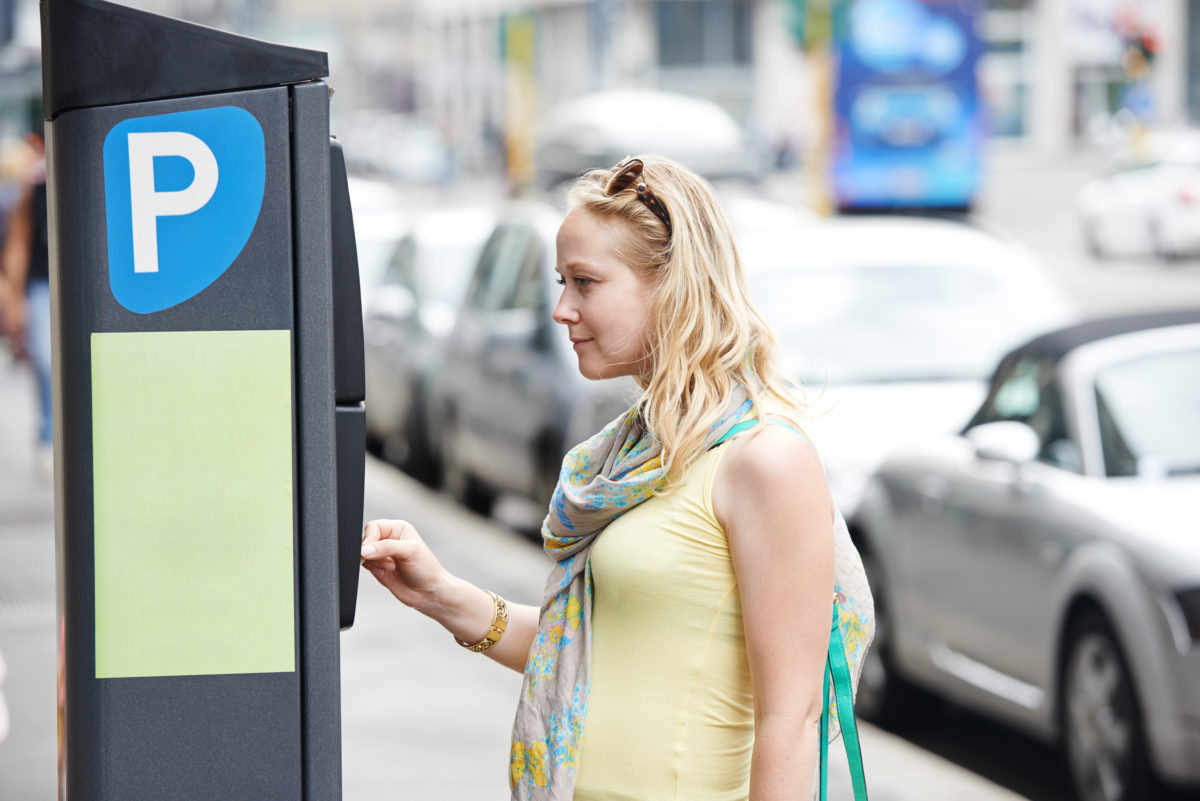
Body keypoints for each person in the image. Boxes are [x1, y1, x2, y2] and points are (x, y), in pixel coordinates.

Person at [360, 155, 874, 801]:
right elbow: (590, 655)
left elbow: (792, 717)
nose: (562, 309)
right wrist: (439, 592)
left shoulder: (764, 460)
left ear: (673, 284)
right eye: (561, 281)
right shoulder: (633, 453)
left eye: (585, 282)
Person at [0, 129, 51, 479]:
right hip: (41, 283)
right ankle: (49, 435)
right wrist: (14, 299)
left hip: (71, 282)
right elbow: (19, 241)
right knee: (46, 360)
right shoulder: (33, 187)